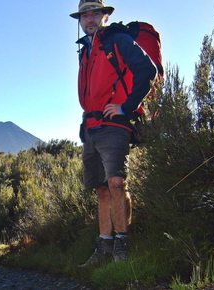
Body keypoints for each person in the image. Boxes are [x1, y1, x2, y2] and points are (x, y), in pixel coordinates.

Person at [70, 0, 157, 266]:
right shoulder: (85, 50)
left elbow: (148, 70)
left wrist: (126, 106)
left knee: (117, 183)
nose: (89, 19)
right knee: (102, 190)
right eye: (85, 15)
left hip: (115, 125)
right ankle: (104, 248)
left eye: (95, 13)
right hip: (92, 127)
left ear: (105, 16)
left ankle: (123, 246)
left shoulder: (117, 40)